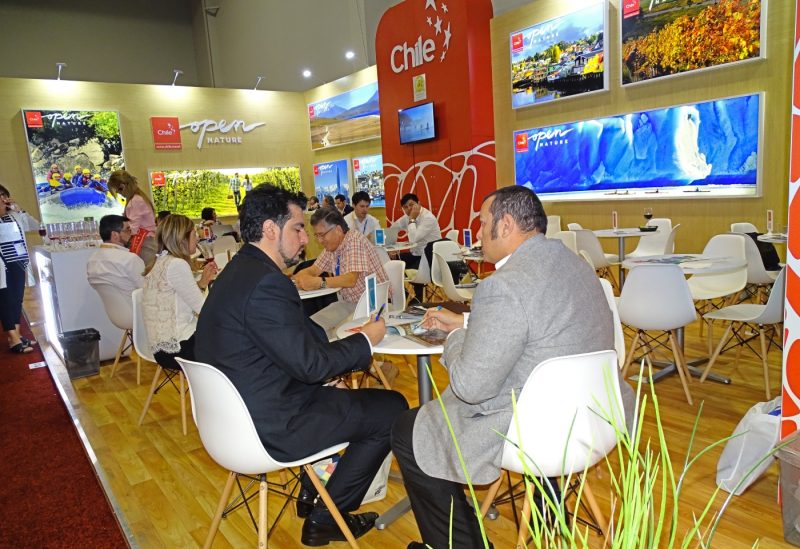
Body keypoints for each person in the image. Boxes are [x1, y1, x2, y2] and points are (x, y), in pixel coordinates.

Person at [392, 186, 635, 549]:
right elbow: (538, 326)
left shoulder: (504, 285)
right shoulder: (577, 265)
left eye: (483, 222)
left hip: (537, 430)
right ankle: (546, 508)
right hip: (596, 417)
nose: (478, 232)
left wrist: (454, 338)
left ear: (505, 225)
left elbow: (469, 387)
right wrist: (467, 324)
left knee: (410, 430)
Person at [194, 185, 407, 546]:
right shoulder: (266, 283)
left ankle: (314, 494)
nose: (304, 239)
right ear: (270, 229)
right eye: (296, 228)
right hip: (271, 425)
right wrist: (366, 340)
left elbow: (282, 349)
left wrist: (326, 374)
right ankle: (327, 518)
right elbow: (309, 365)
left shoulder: (238, 273)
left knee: (345, 395)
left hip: (233, 417)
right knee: (391, 407)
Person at [293, 207, 388, 338]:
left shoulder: (354, 240)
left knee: (335, 334)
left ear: (337, 230)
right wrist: (299, 278)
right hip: (349, 303)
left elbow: (350, 279)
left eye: (322, 235)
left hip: (372, 305)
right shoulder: (332, 247)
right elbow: (314, 269)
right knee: (311, 326)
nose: (319, 240)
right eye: (316, 235)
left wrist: (320, 283)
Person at [142, 214, 217, 372]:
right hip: (179, 348)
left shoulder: (160, 261)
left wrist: (202, 284)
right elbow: (204, 311)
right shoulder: (177, 264)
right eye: (194, 233)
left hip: (161, 348)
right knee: (239, 342)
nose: (197, 238)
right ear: (182, 238)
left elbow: (178, 300)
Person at [0, 184, 39, 354]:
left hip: (19, 262)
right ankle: (14, 339)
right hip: (3, 265)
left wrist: (19, 209)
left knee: (16, 299)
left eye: (4, 195)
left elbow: (35, 225)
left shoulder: (14, 215)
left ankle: (15, 335)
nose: (3, 199)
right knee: (6, 300)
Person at [392, 193, 442, 301]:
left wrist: (412, 220)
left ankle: (417, 300)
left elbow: (413, 238)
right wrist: (390, 242)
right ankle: (403, 294)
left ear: (419, 203)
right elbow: (393, 228)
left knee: (412, 270)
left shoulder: (428, 218)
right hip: (416, 254)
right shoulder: (408, 216)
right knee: (393, 261)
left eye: (411, 205)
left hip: (430, 258)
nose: (409, 208)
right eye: (406, 207)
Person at [86, 215, 145, 300]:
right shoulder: (130, 259)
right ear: (115, 235)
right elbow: (148, 289)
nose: (132, 233)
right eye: (128, 230)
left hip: (112, 311)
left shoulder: (92, 260)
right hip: (137, 310)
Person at [108, 170, 158, 269]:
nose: (118, 193)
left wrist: (119, 234)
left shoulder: (134, 201)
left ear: (122, 186)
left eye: (118, 190)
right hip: (148, 241)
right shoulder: (139, 197)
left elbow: (132, 229)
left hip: (144, 244)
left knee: (147, 274)